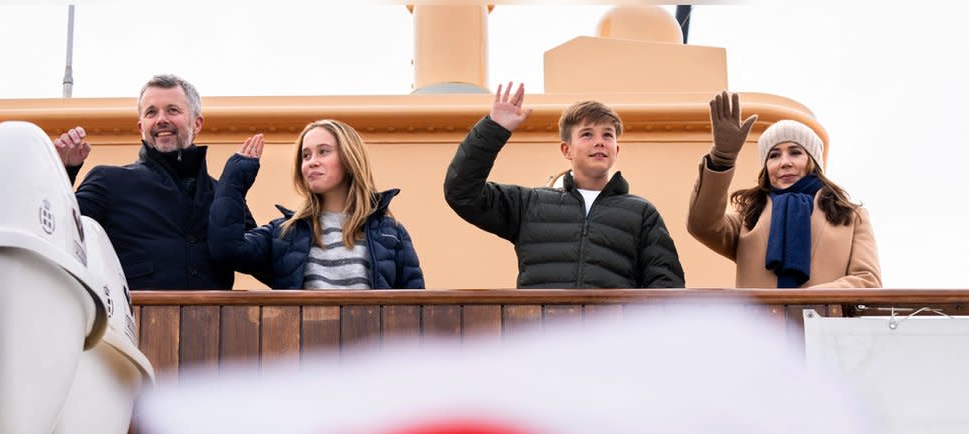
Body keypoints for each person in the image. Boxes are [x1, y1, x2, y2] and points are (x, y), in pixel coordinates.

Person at [443, 82, 685, 289]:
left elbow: (666, 286)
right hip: (542, 339)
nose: (599, 142)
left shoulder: (641, 213)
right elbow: (462, 192)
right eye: (587, 134)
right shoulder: (530, 204)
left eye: (607, 135)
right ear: (566, 149)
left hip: (612, 341)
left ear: (616, 150)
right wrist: (493, 129)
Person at [53, 74, 253, 290]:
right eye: (151, 112)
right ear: (141, 127)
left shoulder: (223, 194)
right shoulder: (108, 181)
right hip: (136, 321)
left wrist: (295, 220)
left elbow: (265, 258)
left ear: (196, 124)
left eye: (172, 110)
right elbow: (59, 233)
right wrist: (63, 172)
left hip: (216, 322)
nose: (161, 119)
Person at [687, 90, 881, 288]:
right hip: (758, 320)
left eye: (795, 152)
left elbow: (867, 281)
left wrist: (806, 303)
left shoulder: (852, 217)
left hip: (822, 318)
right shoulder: (748, 217)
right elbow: (702, 225)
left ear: (812, 162)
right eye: (774, 155)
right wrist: (722, 157)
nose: (784, 162)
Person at [208, 119, 424, 290]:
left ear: (350, 159)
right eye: (305, 155)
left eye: (323, 151)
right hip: (306, 345)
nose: (312, 161)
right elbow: (227, 251)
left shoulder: (391, 233)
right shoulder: (284, 232)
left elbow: (416, 310)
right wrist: (234, 181)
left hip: (371, 346)